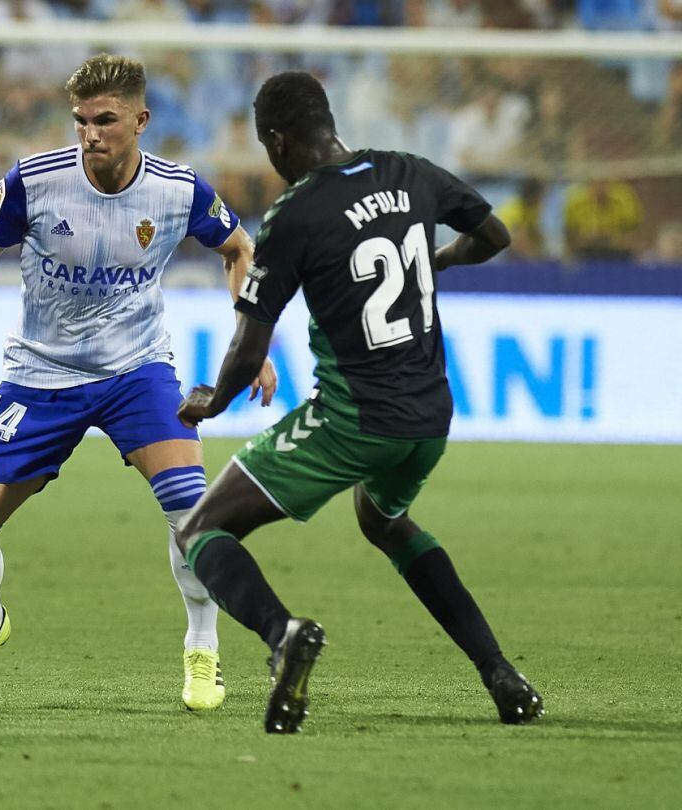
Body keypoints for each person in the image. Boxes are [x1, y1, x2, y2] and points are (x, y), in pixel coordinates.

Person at [0, 54, 277, 711]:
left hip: (138, 371)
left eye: (105, 120)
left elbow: (239, 249)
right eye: (80, 121)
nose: (90, 134)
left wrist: (255, 341)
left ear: (140, 120)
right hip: (41, 376)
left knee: (192, 510)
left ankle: (202, 648)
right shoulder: (34, 181)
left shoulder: (178, 190)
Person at [175, 71, 543, 733]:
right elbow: (495, 236)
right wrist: (447, 260)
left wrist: (213, 401)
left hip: (353, 420)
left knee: (201, 528)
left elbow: (249, 348)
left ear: (279, 142)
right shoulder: (407, 170)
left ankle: (282, 634)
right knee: (385, 521)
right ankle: (500, 673)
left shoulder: (295, 214)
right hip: (431, 417)